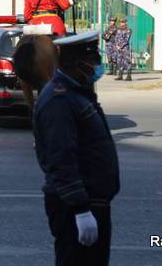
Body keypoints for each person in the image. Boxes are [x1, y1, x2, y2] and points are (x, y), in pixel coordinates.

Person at [33, 31, 120, 266]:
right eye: (93, 61)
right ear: (76, 64)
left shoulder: (76, 92)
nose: (97, 67)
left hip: (92, 203)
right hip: (76, 207)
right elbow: (61, 160)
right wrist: (80, 209)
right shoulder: (59, 100)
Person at [113, 17, 132, 82]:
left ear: (125, 22)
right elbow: (116, 38)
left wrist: (120, 46)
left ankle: (129, 76)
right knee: (119, 61)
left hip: (125, 48)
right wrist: (117, 45)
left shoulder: (128, 30)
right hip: (119, 49)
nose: (121, 23)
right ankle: (120, 75)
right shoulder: (118, 30)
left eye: (123, 22)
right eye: (121, 22)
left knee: (127, 62)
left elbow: (126, 40)